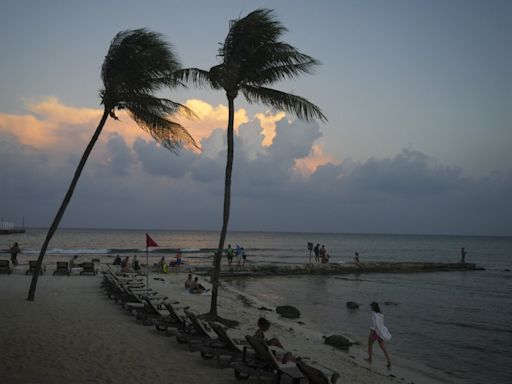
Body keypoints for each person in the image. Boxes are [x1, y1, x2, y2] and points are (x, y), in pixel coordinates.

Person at [366, 302, 392, 368]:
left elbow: (374, 324)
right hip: (381, 332)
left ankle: (370, 358)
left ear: (374, 307)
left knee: (369, 344)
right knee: (383, 347)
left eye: (371, 306)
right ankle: (388, 361)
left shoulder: (374, 314)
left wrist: (371, 332)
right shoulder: (381, 314)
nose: (370, 307)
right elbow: (380, 324)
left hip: (375, 331)